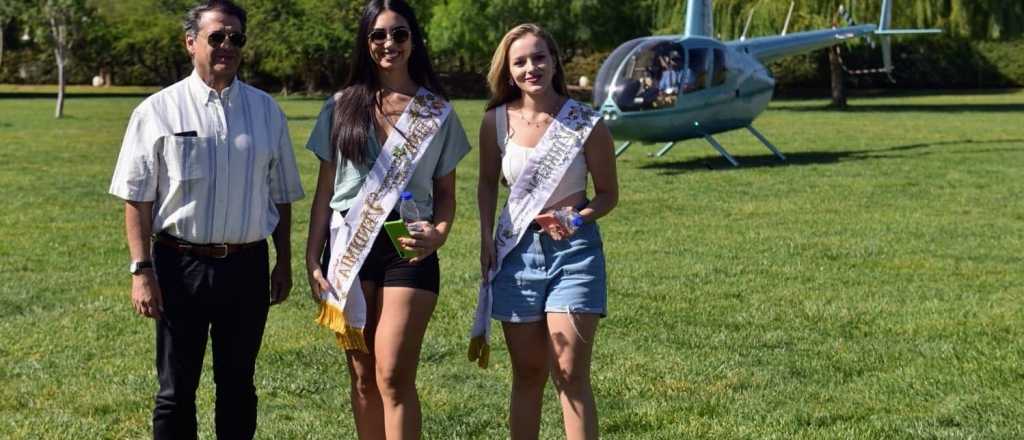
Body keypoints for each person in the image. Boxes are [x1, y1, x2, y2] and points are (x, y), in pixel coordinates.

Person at [108, 1, 304, 438]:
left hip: (246, 266)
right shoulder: (157, 111)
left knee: (238, 386)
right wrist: (141, 271)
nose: (228, 46)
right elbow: (136, 197)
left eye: (237, 38)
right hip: (180, 267)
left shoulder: (266, 111)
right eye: (217, 36)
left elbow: (282, 195)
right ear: (191, 42)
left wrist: (283, 261)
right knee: (176, 391)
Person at [304, 1, 470, 438]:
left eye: (399, 34)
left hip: (407, 246)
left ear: (414, 40)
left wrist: (439, 233)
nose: (388, 43)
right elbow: (325, 193)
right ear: (366, 41)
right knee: (362, 376)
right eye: (378, 35)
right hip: (349, 247)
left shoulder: (437, 112)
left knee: (393, 373)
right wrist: (311, 259)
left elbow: (448, 194)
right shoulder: (340, 106)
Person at [471, 23, 619, 440]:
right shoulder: (495, 121)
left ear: (554, 61)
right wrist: (485, 236)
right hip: (516, 254)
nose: (530, 67)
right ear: (508, 69)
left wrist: (577, 218)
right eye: (520, 61)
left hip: (575, 254)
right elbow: (485, 182)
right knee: (529, 373)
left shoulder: (585, 122)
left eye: (539, 57)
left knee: (570, 372)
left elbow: (607, 195)